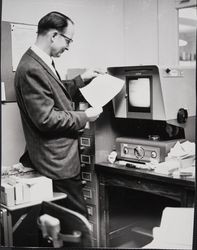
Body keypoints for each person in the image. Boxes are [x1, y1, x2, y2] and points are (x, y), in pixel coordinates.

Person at [14, 11, 103, 217]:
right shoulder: (31, 68)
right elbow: (46, 119)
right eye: (68, 40)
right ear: (54, 35)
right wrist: (85, 116)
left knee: (61, 225)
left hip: (58, 161)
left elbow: (54, 93)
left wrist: (81, 79)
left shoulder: (38, 61)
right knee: (77, 225)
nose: (68, 47)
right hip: (57, 163)